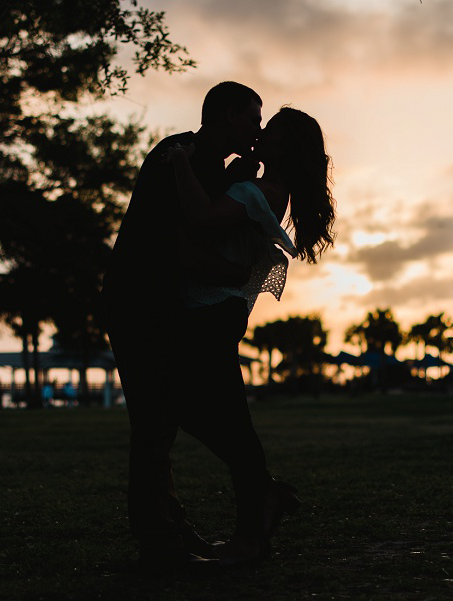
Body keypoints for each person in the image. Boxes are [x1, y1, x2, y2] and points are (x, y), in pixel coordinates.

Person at [101, 82, 263, 574]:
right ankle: (159, 541)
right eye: (252, 118)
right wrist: (239, 275)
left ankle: (167, 529)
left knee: (160, 422)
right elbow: (186, 241)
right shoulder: (180, 154)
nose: (257, 129)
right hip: (140, 303)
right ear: (229, 114)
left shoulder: (205, 163)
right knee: (153, 425)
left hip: (158, 304)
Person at [166, 105, 336, 566]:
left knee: (223, 420)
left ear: (286, 147)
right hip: (218, 311)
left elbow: (202, 218)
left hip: (212, 313)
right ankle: (263, 498)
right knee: (199, 412)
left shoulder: (258, 190)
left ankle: (251, 530)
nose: (260, 134)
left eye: (272, 131)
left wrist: (181, 163)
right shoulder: (260, 186)